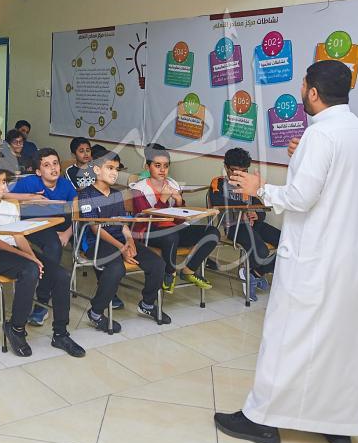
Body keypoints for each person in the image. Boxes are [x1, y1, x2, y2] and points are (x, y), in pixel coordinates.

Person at [214, 61, 358, 443]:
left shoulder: (320, 136)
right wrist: (302, 153)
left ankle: (261, 420)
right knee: (339, 342)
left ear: (314, 92)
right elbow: (338, 183)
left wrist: (259, 188)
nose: (301, 90)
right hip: (352, 263)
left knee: (285, 338)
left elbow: (301, 197)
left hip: (313, 259)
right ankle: (336, 423)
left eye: (303, 85)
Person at [0, 166, 85, 358]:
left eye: (4, 182)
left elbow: (18, 236)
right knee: (30, 270)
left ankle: (60, 334)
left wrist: (33, 256)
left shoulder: (10, 206)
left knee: (61, 275)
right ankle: (16, 328)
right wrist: (30, 259)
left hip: (15, 251)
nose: (2, 187)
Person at [77, 149, 170, 333]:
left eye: (117, 169)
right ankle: (96, 312)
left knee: (157, 264)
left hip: (120, 240)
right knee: (116, 268)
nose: (114, 173)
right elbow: (96, 228)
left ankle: (147, 304)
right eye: (110, 168)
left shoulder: (117, 194)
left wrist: (130, 242)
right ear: (96, 169)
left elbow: (123, 224)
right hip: (96, 243)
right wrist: (121, 248)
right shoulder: (86, 195)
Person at [129, 143, 219, 293]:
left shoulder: (173, 184)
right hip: (148, 232)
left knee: (212, 232)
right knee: (171, 236)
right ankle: (169, 273)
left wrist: (178, 202)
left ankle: (188, 271)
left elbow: (180, 219)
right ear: (147, 167)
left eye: (166, 166)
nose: (162, 170)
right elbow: (145, 218)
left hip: (173, 230)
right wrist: (163, 199)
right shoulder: (139, 188)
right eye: (157, 165)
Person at [7, 148, 78, 326]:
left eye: (55, 163)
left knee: (89, 232)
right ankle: (42, 302)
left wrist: (67, 233)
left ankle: (107, 291)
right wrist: (29, 198)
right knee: (53, 247)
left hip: (61, 225)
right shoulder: (29, 182)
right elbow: (2, 195)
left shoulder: (66, 185)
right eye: (47, 165)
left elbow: (78, 212)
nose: (53, 168)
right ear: (38, 171)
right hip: (35, 224)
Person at [208, 147, 278, 302]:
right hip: (234, 227)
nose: (239, 175)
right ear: (226, 167)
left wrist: (257, 214)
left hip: (253, 225)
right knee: (261, 250)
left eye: (244, 171)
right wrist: (246, 208)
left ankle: (255, 273)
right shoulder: (218, 183)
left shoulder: (249, 184)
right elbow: (217, 201)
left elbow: (260, 207)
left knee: (288, 243)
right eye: (235, 171)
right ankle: (249, 272)